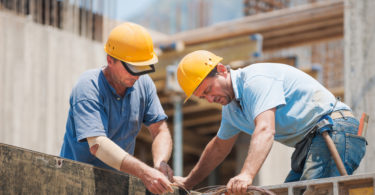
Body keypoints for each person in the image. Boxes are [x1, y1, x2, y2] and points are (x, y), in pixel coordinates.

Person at [173, 50, 367, 194]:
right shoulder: (232, 110)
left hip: (335, 130)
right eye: (202, 97)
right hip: (312, 143)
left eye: (208, 90)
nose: (209, 99)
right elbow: (218, 148)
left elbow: (265, 129)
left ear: (222, 70)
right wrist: (188, 183)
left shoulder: (255, 80)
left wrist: (246, 174)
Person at [60, 22, 174, 194]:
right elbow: (97, 144)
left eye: (142, 67)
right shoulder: (88, 87)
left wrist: (160, 164)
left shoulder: (144, 84)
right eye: (132, 67)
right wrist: (144, 172)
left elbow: (160, 131)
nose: (137, 75)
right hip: (75, 183)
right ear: (110, 60)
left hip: (116, 185)